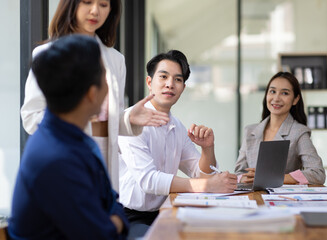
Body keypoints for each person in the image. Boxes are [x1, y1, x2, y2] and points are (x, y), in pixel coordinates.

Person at [20, 0, 169, 190]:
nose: (94, 11)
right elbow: (31, 117)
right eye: (87, 2)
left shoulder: (115, 60)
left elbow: (107, 118)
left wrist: (129, 119)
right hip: (66, 155)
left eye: (104, 5)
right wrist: (75, 122)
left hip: (105, 160)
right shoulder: (48, 54)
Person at [9, 35, 129, 239]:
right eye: (104, 75)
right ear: (92, 94)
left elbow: (111, 203)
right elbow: (102, 233)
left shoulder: (71, 139)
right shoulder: (56, 159)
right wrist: (116, 220)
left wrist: (114, 218)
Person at [118, 50, 238, 238]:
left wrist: (207, 148)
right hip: (130, 216)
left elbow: (198, 173)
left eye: (178, 80)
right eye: (163, 76)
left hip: (166, 210)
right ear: (150, 83)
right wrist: (205, 186)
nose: (170, 84)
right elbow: (148, 180)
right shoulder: (130, 121)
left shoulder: (177, 126)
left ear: (182, 88)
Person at [235, 72, 326, 185]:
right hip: (253, 198)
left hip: (283, 200)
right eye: (272, 91)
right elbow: (238, 173)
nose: (276, 98)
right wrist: (244, 178)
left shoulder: (299, 132)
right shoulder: (250, 131)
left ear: (295, 99)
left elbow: (317, 173)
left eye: (284, 93)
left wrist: (276, 178)